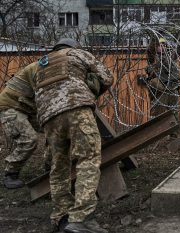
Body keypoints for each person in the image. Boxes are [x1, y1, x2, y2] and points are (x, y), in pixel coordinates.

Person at [33, 38, 113, 232]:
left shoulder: (40, 65)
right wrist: (92, 88)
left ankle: (62, 218)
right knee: (88, 158)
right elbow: (107, 77)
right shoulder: (77, 54)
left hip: (48, 117)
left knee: (58, 166)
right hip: (76, 107)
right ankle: (81, 218)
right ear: (72, 47)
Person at [0, 63, 39, 189]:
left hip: (25, 108)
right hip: (10, 107)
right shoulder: (43, 67)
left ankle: (50, 166)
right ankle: (10, 174)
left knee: (54, 129)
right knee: (29, 139)